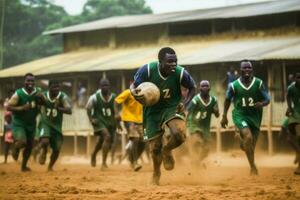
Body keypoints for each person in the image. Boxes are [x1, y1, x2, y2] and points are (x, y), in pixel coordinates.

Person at [130, 47, 196, 185]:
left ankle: (167, 150)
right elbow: (133, 86)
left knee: (179, 134)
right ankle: (156, 173)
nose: (173, 64)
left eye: (175, 61)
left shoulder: (180, 72)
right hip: (152, 111)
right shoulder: (147, 70)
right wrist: (135, 94)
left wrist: (185, 102)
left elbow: (192, 87)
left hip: (172, 106)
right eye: (170, 61)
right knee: (155, 147)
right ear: (160, 61)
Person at [221, 60, 270, 175]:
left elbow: (267, 99)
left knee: (250, 146)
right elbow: (227, 100)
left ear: (252, 70)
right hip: (240, 115)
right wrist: (224, 116)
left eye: (249, 68)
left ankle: (243, 145)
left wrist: (261, 104)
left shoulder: (258, 83)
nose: (247, 70)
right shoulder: (233, 85)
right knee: (248, 137)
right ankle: (253, 167)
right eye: (245, 68)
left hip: (255, 117)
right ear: (240, 70)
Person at [6, 73, 42, 172]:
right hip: (19, 123)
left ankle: (24, 166)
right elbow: (8, 107)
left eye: (32, 81)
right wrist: (21, 108)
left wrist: (42, 98)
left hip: (31, 123)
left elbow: (43, 103)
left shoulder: (38, 92)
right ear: (24, 82)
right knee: (22, 142)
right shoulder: (18, 93)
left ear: (34, 82)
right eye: (28, 80)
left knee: (29, 146)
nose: (30, 83)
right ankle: (15, 148)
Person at [37, 80, 72, 171]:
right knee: (45, 141)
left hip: (57, 126)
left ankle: (50, 166)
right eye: (54, 87)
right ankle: (43, 151)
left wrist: (59, 108)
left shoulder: (62, 97)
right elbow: (38, 103)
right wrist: (39, 99)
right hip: (46, 123)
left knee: (57, 149)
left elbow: (69, 110)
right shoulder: (44, 95)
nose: (56, 89)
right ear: (49, 88)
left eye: (58, 87)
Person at [86, 78, 120, 170]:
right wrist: (91, 119)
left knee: (104, 141)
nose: (105, 87)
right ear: (100, 87)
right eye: (103, 86)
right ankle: (104, 164)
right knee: (107, 137)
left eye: (107, 85)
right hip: (99, 121)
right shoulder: (94, 97)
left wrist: (119, 122)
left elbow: (116, 110)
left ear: (109, 86)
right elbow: (88, 108)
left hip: (110, 122)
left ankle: (93, 154)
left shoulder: (113, 97)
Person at [187, 80, 219, 166]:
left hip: (205, 127)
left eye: (206, 86)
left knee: (207, 149)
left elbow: (217, 114)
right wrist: (186, 124)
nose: (205, 88)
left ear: (210, 88)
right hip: (195, 125)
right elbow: (188, 112)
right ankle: (194, 158)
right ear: (200, 88)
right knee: (198, 141)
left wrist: (215, 111)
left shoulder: (214, 100)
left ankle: (197, 161)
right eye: (203, 86)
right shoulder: (195, 100)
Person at [115, 86, 144, 171]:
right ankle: (135, 162)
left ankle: (132, 159)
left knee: (144, 141)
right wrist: (117, 114)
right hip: (128, 119)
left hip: (140, 120)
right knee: (135, 139)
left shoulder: (143, 93)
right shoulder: (128, 92)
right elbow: (116, 101)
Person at [286, 72, 300, 175]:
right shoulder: (291, 88)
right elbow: (288, 97)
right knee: (290, 139)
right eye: (298, 78)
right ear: (295, 79)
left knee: (299, 136)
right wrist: (289, 107)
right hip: (295, 114)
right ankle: (298, 152)